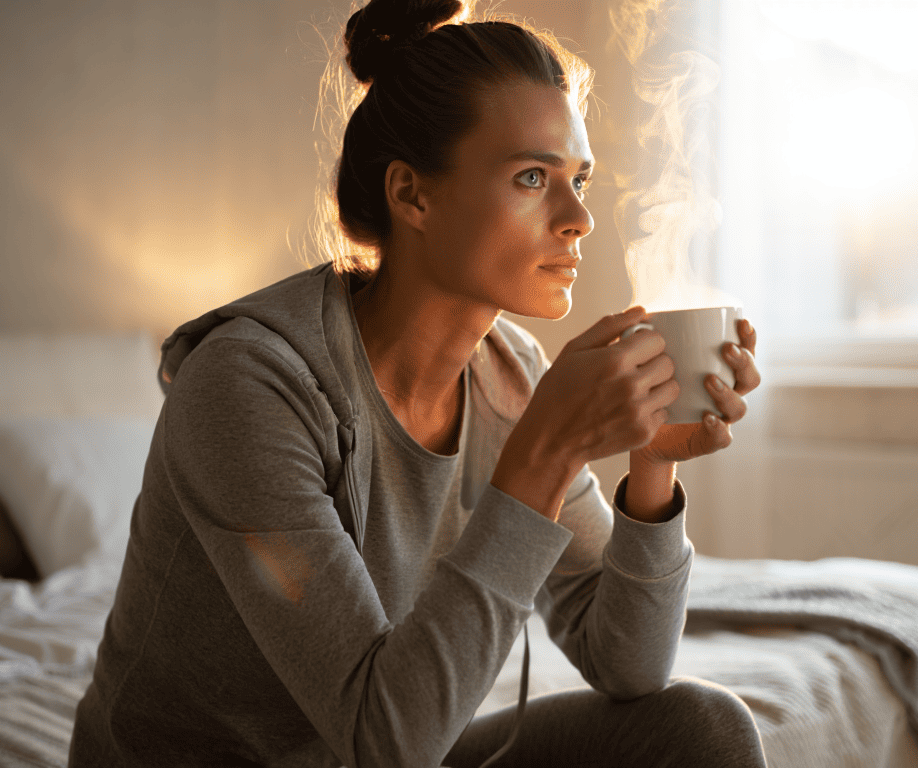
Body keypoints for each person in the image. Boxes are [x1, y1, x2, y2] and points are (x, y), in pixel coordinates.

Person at [69, 1, 765, 765]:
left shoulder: (512, 373)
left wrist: (652, 460)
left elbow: (628, 665)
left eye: (580, 179)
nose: (577, 219)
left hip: (399, 742)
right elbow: (385, 744)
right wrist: (541, 456)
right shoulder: (249, 389)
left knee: (700, 729)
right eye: (533, 177)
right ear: (413, 195)